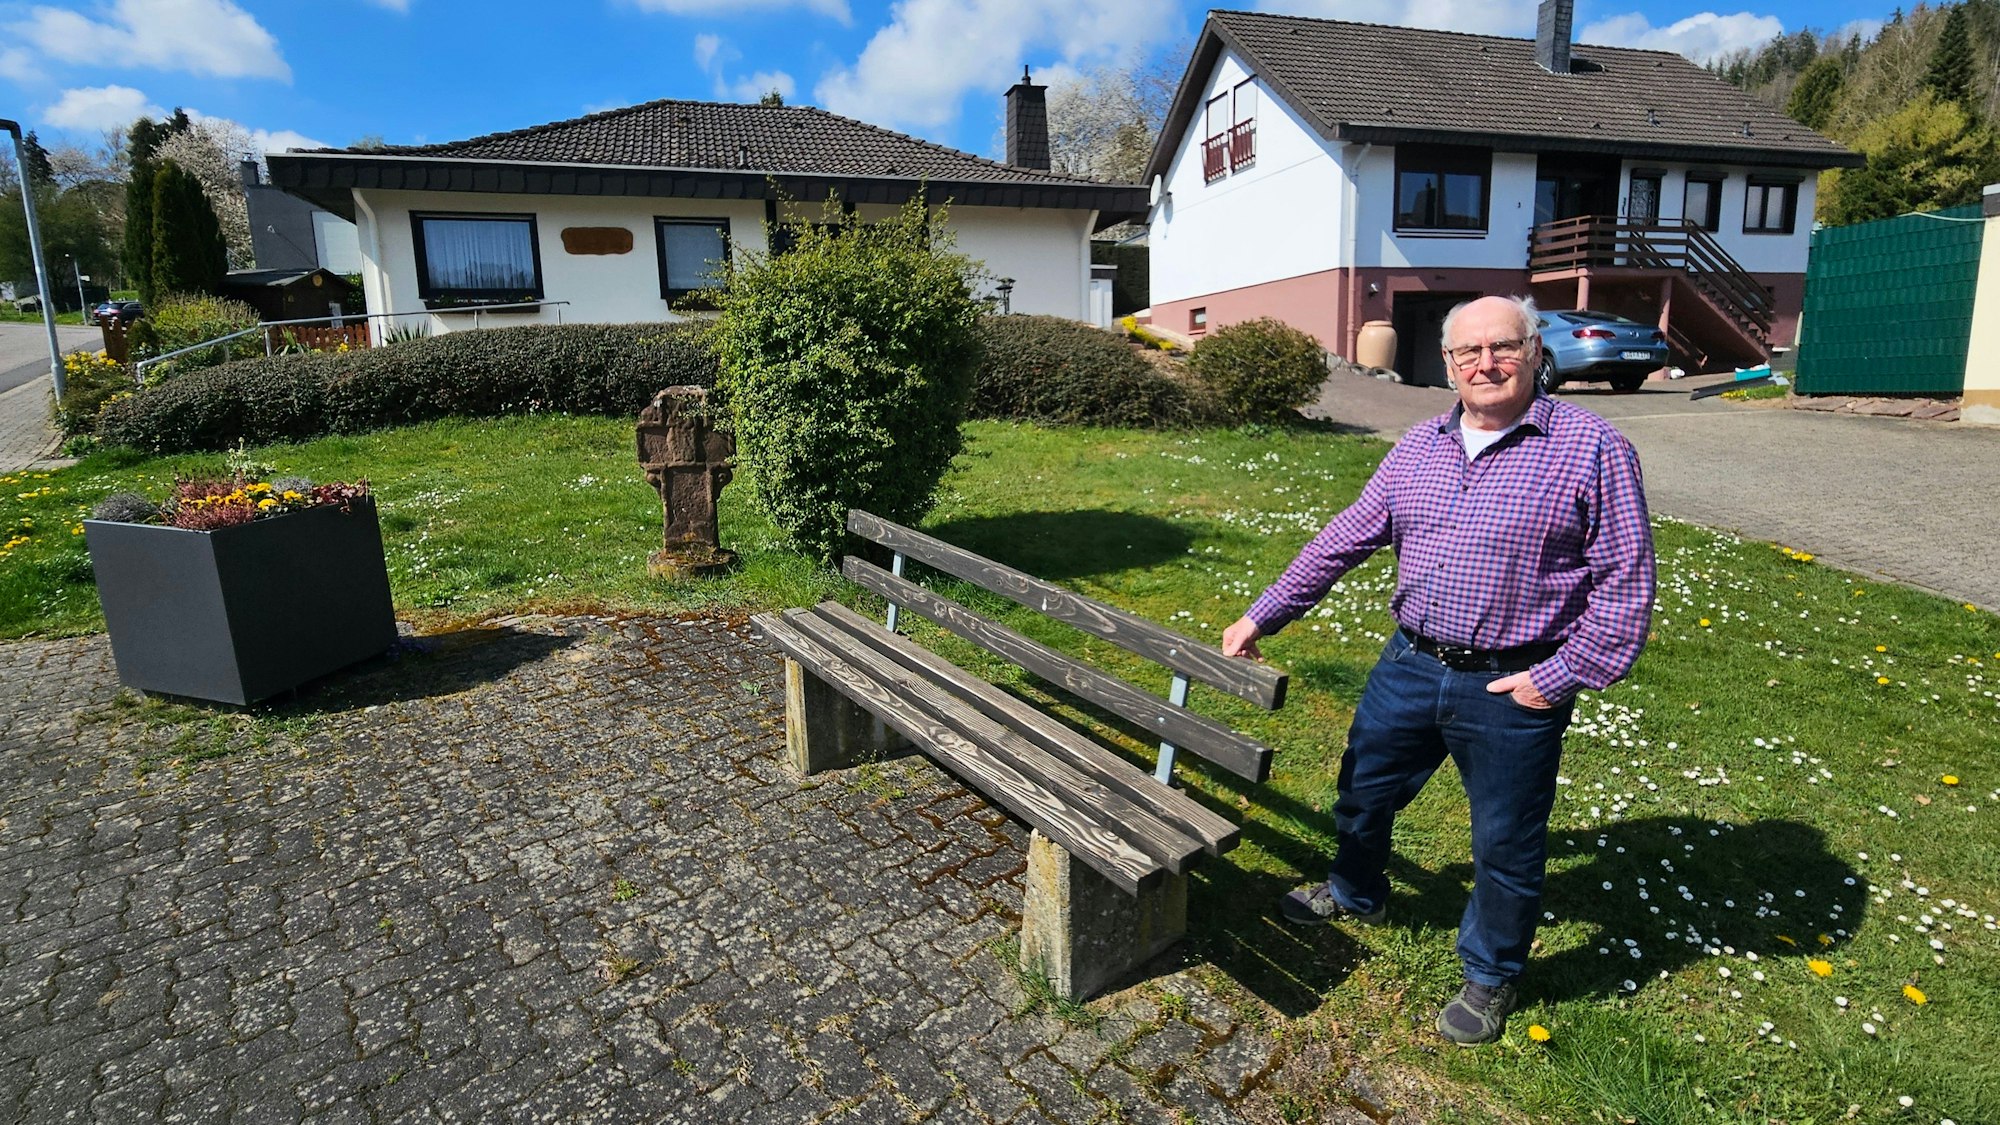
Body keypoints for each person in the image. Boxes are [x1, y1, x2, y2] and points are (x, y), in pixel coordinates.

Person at [1220, 295, 1656, 1046]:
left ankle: (1491, 973)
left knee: (1506, 841)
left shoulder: (1592, 448)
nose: (1485, 364)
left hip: (1513, 684)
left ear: (1533, 350)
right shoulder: (1419, 445)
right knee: (1363, 789)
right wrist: (1265, 613)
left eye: (1502, 347)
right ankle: (1358, 893)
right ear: (1448, 363)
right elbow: (1345, 537)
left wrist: (1556, 677)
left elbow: (1626, 580)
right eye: (1467, 353)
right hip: (1411, 663)